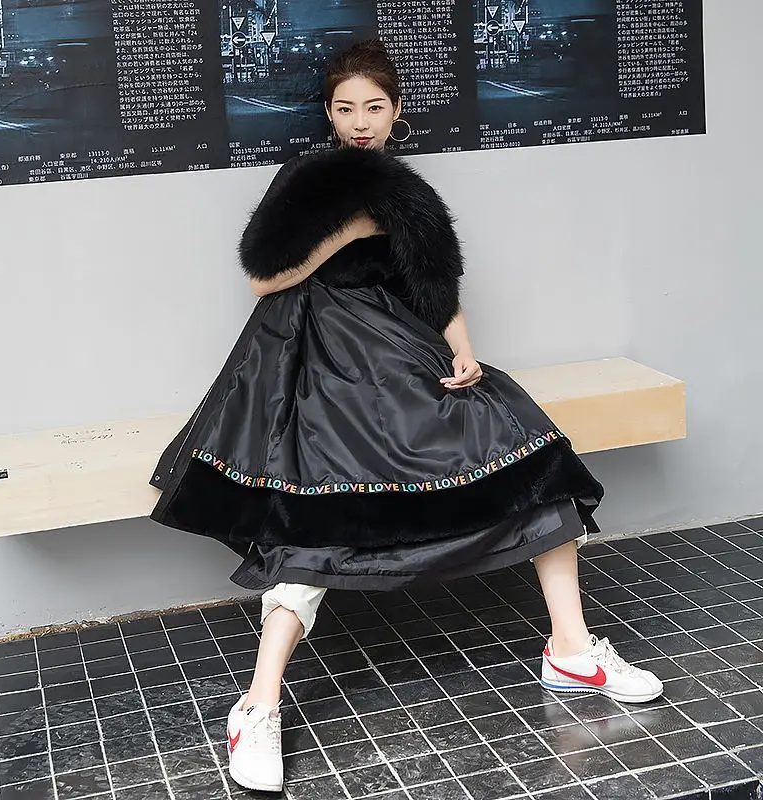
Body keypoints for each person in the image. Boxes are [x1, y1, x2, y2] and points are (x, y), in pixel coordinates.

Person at [149, 40, 663, 794]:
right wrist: (352, 229)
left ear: (397, 114)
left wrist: (465, 352)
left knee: (528, 453)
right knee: (315, 506)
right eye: (346, 109)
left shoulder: (410, 193)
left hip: (396, 353)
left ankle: (572, 650)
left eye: (374, 108)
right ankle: (256, 707)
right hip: (311, 359)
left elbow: (437, 287)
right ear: (329, 115)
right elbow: (264, 278)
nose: (360, 122)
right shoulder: (306, 179)